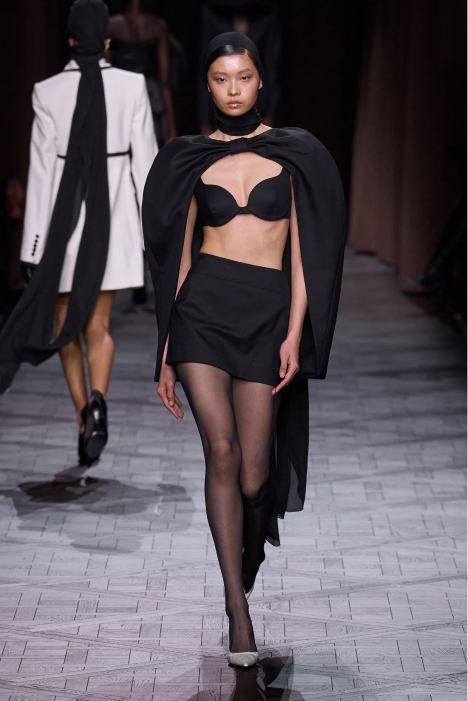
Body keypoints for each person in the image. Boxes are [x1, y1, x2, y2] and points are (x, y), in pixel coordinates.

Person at [143, 33, 346, 667]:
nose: (233, 89)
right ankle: (238, 608)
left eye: (244, 77)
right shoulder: (188, 159)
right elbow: (177, 260)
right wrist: (166, 349)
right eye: (221, 78)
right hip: (201, 312)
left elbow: (308, 254)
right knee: (223, 452)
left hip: (265, 315)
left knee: (256, 476)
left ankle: (248, 551)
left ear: (261, 80)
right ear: (207, 86)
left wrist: (294, 332)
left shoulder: (295, 153)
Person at [0, 0, 157, 466]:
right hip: (114, 222)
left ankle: (83, 414)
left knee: (66, 326)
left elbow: (41, 175)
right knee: (99, 325)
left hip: (64, 228)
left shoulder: (47, 91)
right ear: (107, 40)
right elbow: (146, 167)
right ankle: (100, 403)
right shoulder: (132, 86)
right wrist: (151, 235)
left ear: (70, 39)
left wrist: (32, 249)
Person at [199, 0, 281, 134]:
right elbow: (205, 67)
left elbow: (272, 67)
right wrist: (204, 120)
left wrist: (270, 114)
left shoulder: (266, 17)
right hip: (220, 107)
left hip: (258, 104)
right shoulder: (212, 15)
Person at [109, 0, 178, 146]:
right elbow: (164, 81)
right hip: (148, 99)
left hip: (121, 99)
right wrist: (171, 129)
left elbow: (105, 74)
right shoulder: (157, 26)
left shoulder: (111, 26)